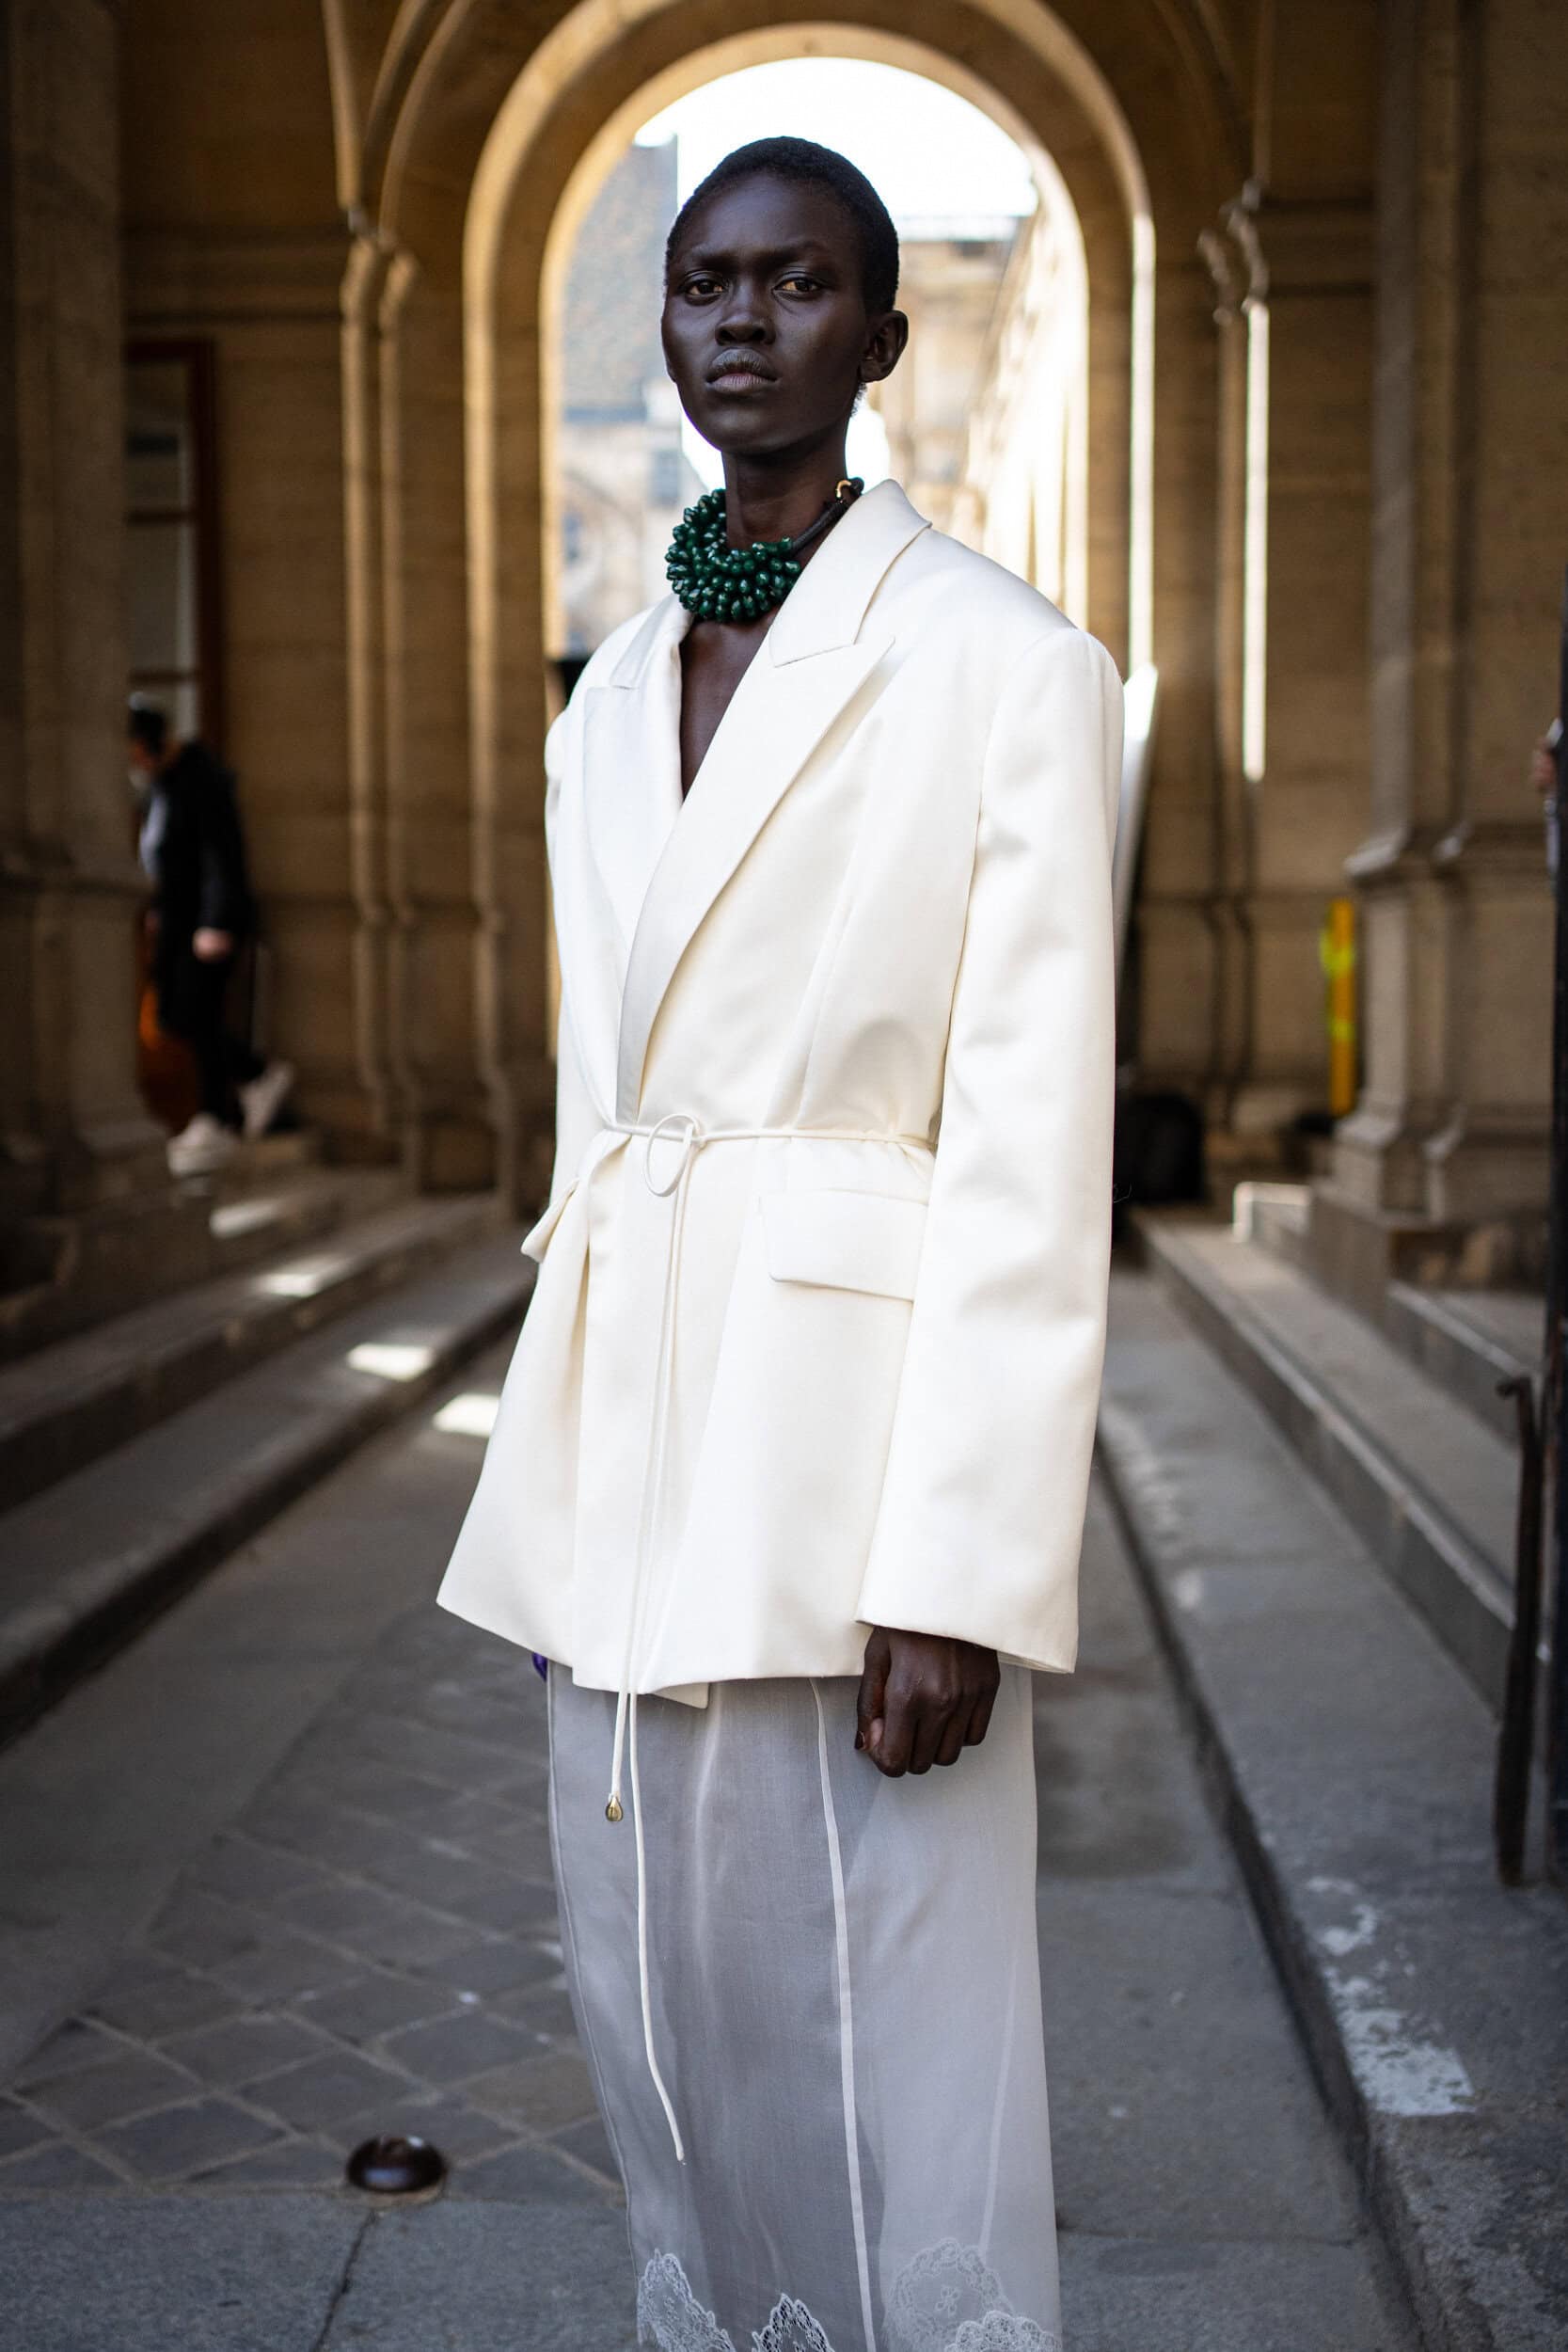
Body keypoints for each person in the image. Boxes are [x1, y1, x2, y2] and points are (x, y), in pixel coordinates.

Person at [436, 137, 1122, 2352]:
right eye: (705, 282)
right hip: (623, 1449)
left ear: (883, 337)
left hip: (853, 1472)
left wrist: (961, 1566)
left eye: (799, 282)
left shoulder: (1006, 665)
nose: (742, 321)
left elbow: (1029, 1143)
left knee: (889, 2057)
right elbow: (595, 1112)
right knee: (658, 2029)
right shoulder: (606, 696)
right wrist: (556, 1466)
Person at [127, 699, 293, 1175]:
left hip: (206, 924)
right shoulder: (160, 787)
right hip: (177, 924)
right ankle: (233, 1098)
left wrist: (216, 920)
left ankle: (233, 1098)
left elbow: (223, 857)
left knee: (192, 1016)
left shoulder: (202, 781)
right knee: (181, 1017)